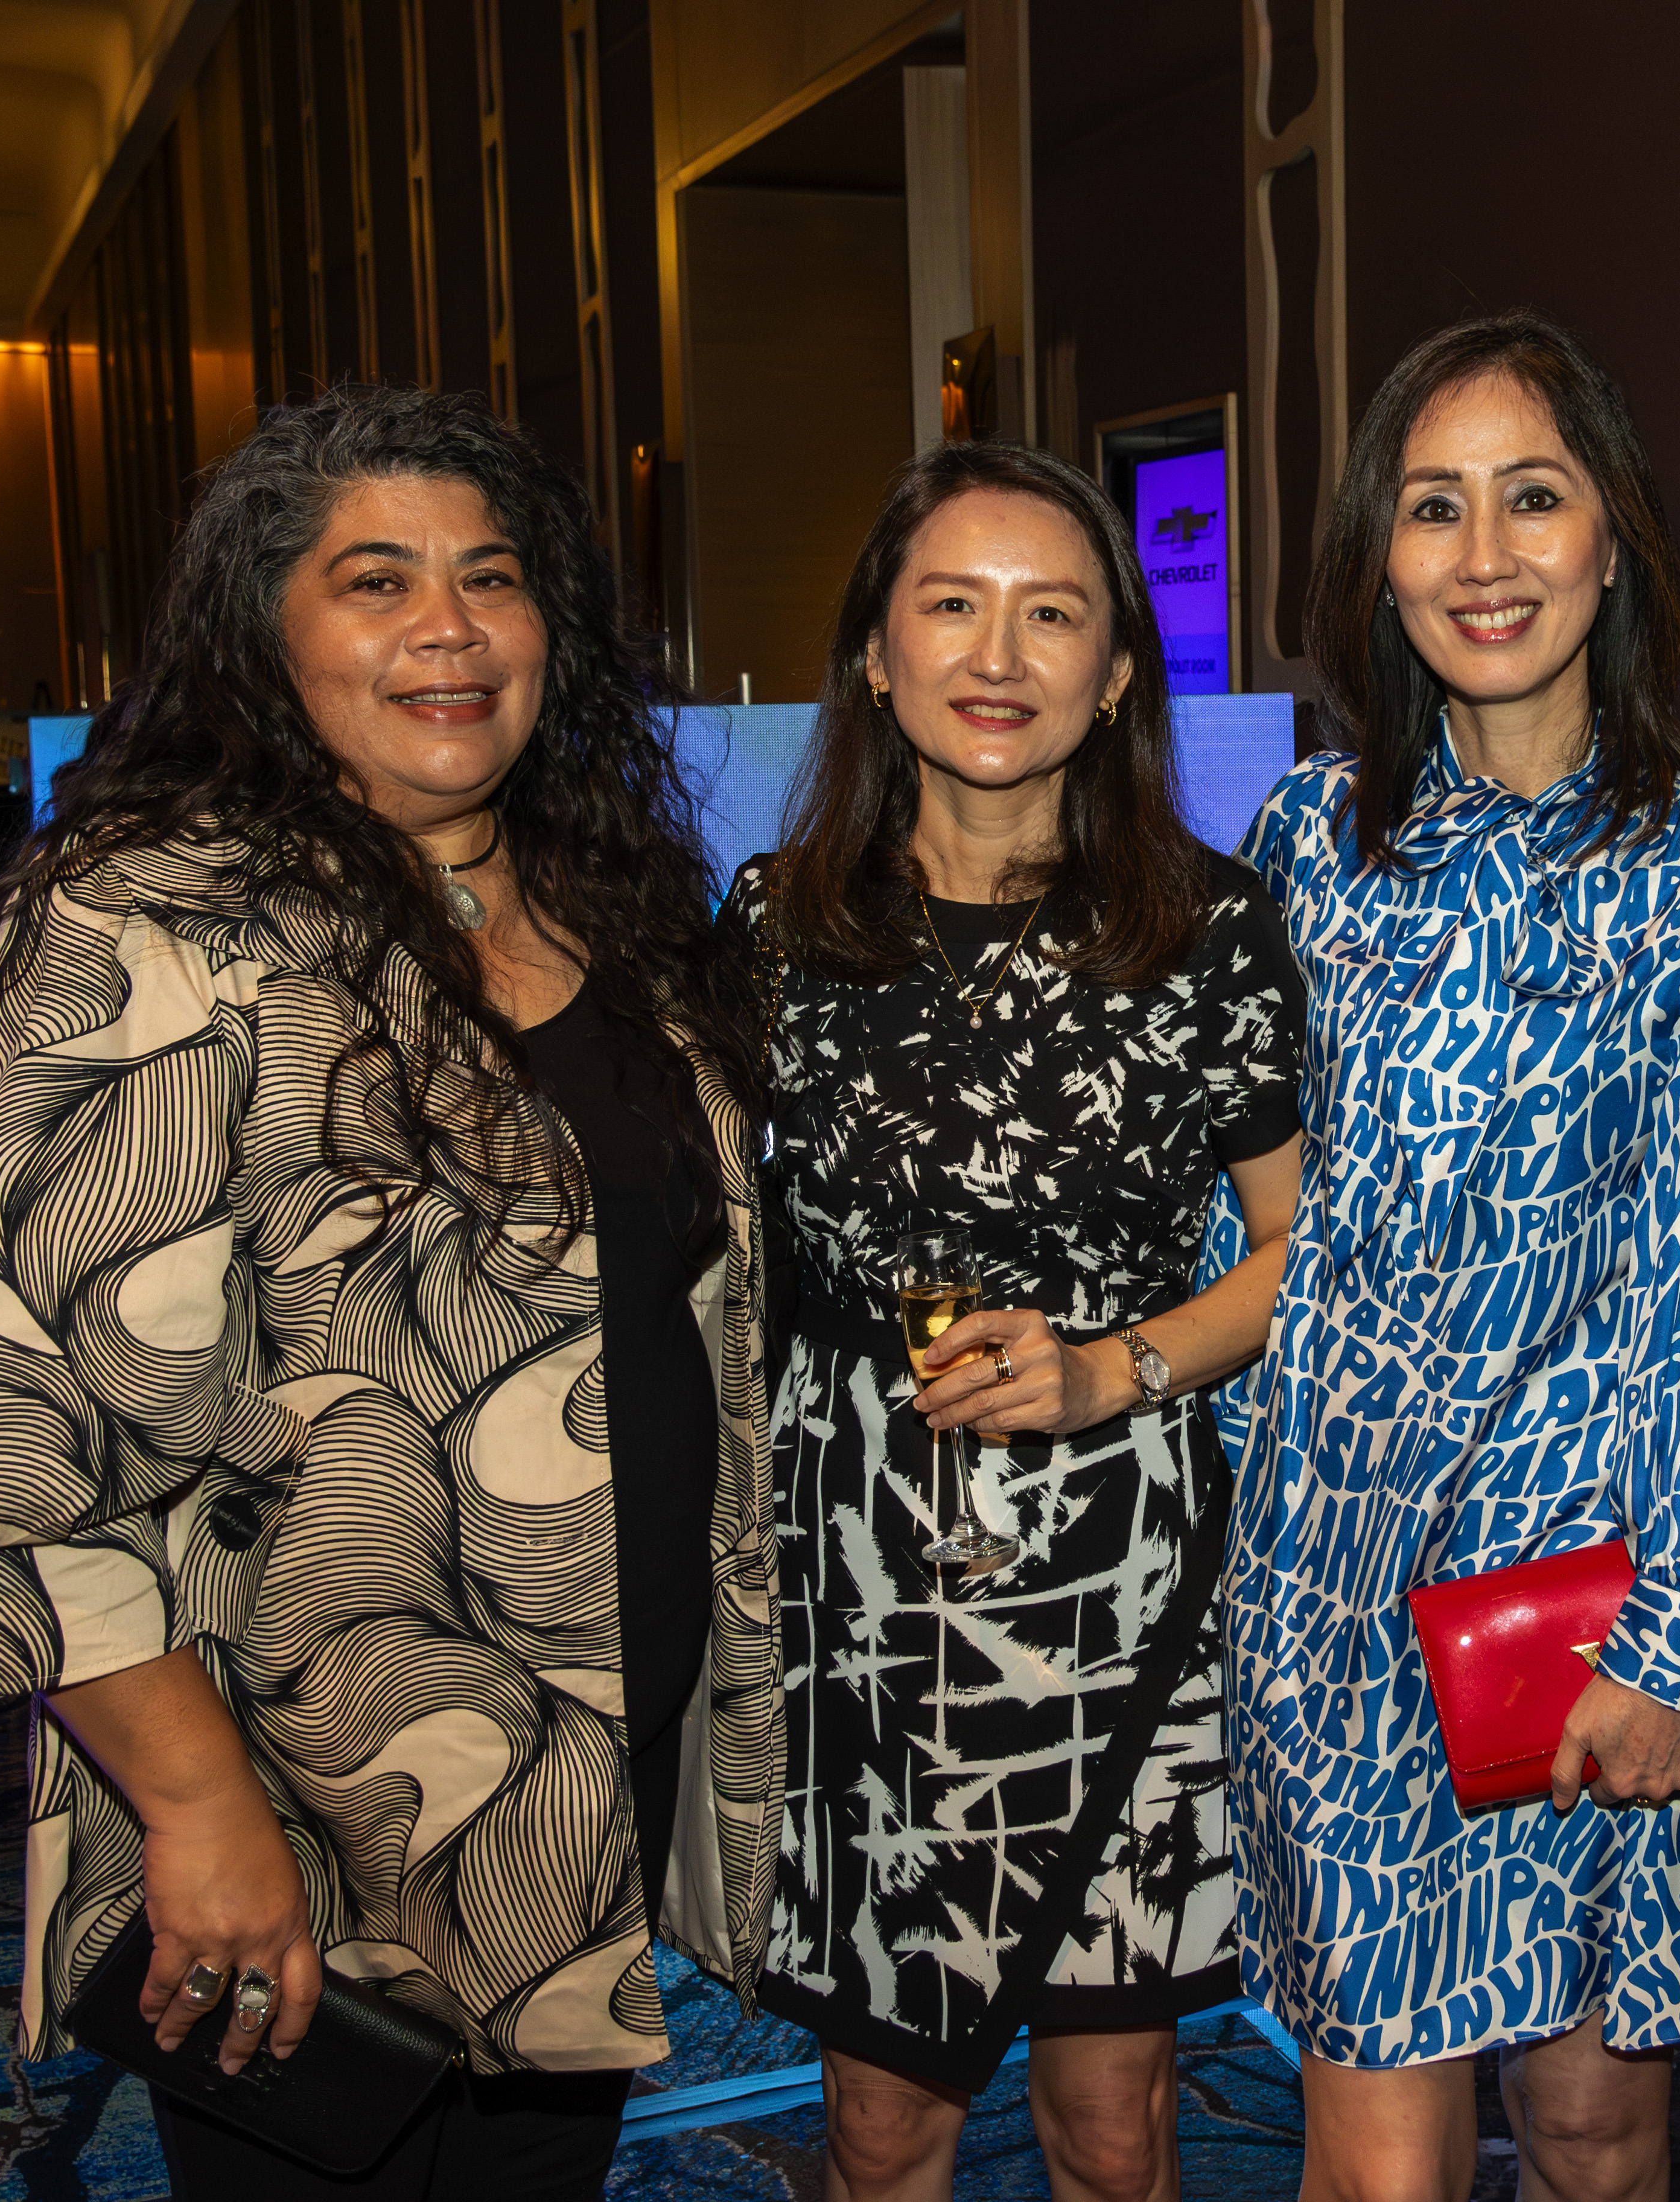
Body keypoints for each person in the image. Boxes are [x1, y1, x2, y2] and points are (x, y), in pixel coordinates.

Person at [0, 383, 777, 2200]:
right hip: (304, 1822)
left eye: (492, 577)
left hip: (569, 1803)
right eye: (376, 579)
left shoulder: (601, 907)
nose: (449, 626)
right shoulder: (159, 923)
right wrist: (195, 1808)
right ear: (263, 631)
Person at [1219, 310, 1680, 2202]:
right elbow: (1267, 1220)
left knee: (1591, 2129)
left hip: (1584, 1606)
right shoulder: (1309, 843)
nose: (1484, 555)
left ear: (1610, 539)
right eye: (1432, 507)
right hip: (1334, 1582)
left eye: (1533, 496)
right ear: (1374, 558)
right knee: (1386, 2166)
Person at [726, 438, 1304, 2202]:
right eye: (951, 606)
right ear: (876, 655)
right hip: (859, 1600)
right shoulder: (774, 931)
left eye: (1052, 613)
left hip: (1120, 1584)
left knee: (1109, 2127)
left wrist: (1110, 1366)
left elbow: (1303, 1251)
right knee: (880, 2124)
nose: (999, 654)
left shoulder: (1202, 930)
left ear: (1119, 668)